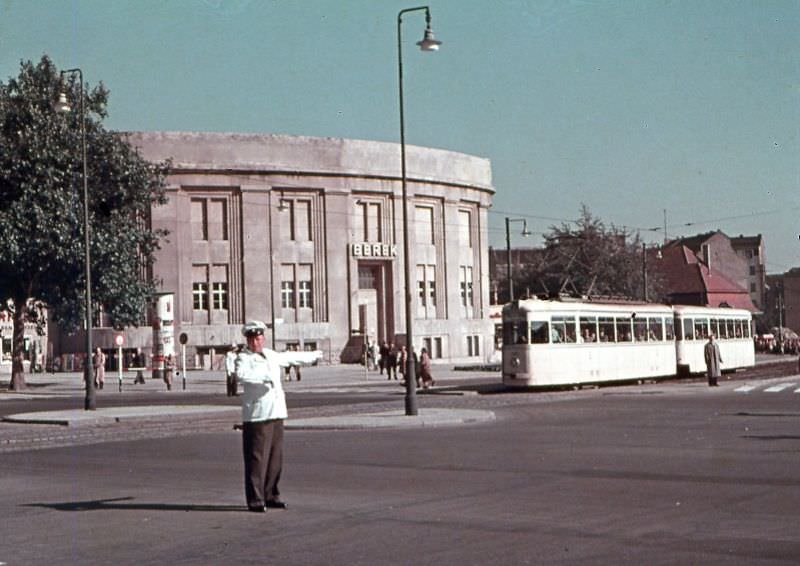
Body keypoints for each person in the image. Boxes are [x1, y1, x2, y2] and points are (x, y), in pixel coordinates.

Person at [236, 320, 322, 513]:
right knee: (257, 459)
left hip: (275, 412)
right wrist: (263, 377)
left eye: (259, 339)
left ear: (263, 339)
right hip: (258, 415)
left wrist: (312, 356)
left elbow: (289, 357)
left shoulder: (270, 355)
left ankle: (271, 495)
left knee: (275, 459)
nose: (256, 343)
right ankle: (256, 499)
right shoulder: (243, 358)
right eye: (252, 339)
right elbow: (241, 375)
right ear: (248, 341)